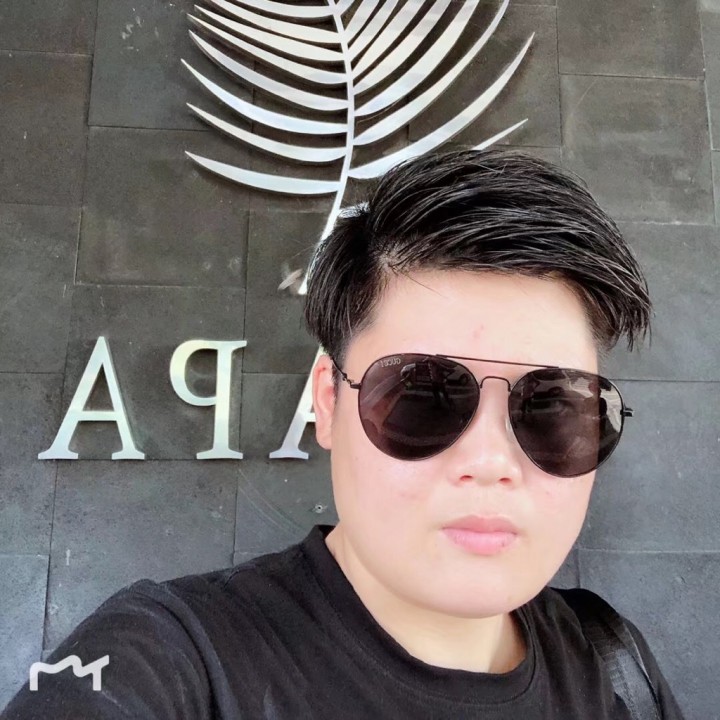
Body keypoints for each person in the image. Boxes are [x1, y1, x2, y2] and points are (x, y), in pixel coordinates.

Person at [1, 148, 686, 719]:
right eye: (422, 397)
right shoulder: (174, 661)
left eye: (552, 407)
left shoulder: (611, 662)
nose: (489, 460)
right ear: (328, 401)